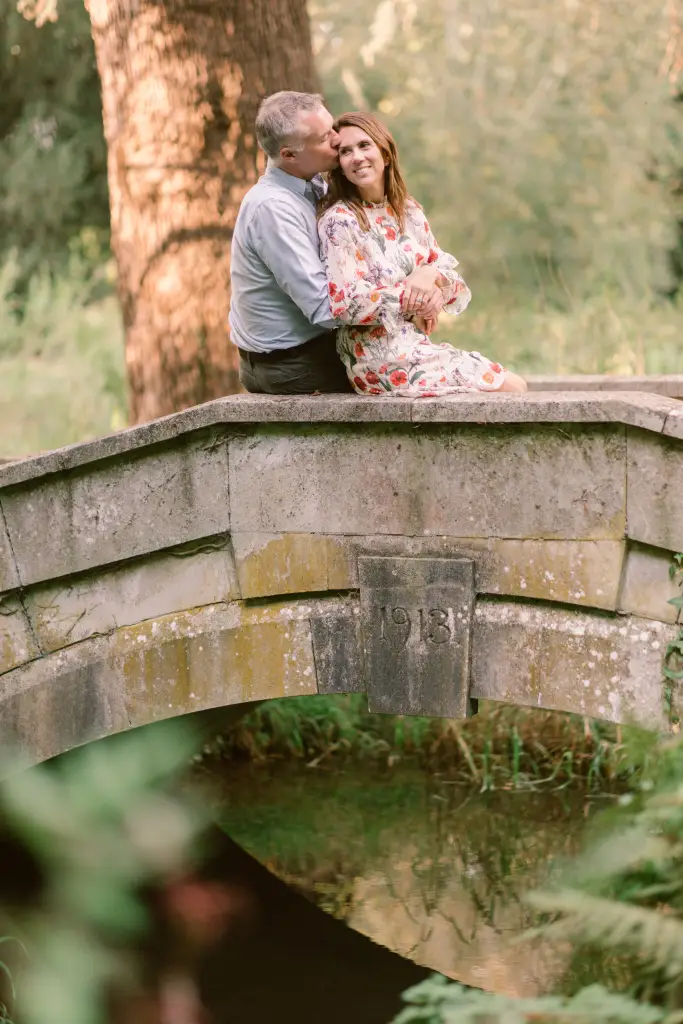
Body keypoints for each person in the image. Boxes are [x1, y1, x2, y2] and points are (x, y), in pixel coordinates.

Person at [229, 92, 444, 395]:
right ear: (289, 155)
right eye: (323, 138)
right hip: (292, 364)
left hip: (329, 344)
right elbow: (325, 308)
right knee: (426, 388)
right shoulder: (272, 209)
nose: (336, 139)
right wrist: (415, 299)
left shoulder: (315, 184)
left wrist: (427, 274)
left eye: (332, 128)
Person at [317, 112, 527, 397]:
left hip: (415, 346)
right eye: (345, 151)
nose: (356, 157)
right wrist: (412, 298)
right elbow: (345, 304)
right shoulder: (339, 221)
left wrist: (431, 277)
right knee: (511, 388)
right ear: (340, 166)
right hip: (375, 359)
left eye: (364, 145)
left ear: (385, 153)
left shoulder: (409, 211)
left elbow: (450, 280)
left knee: (513, 387)